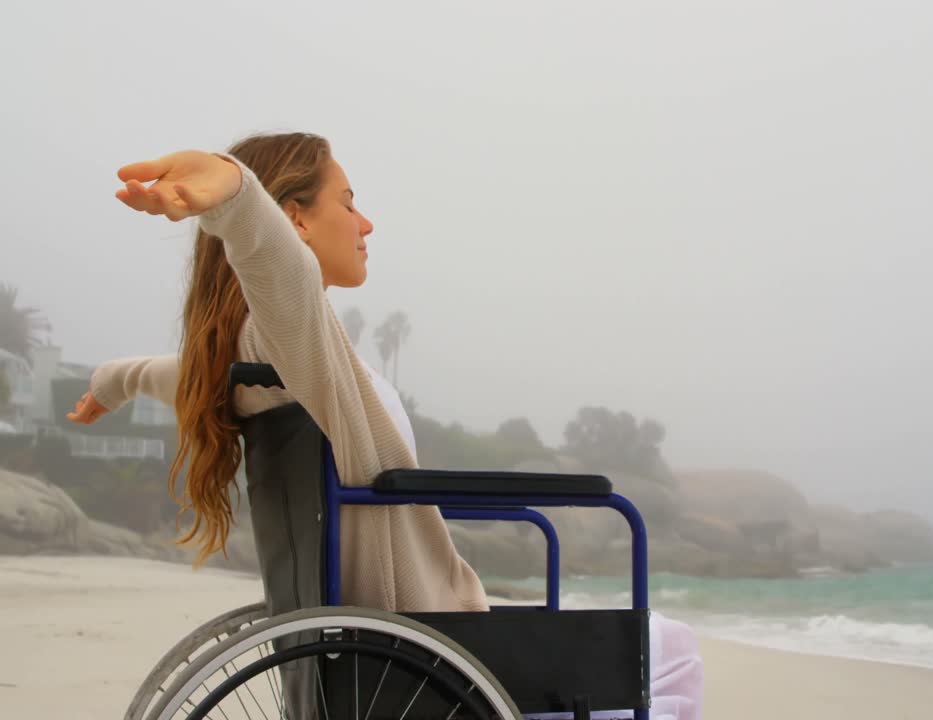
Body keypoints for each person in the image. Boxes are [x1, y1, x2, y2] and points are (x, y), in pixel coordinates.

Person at [68, 133, 703, 718]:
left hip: (376, 654)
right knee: (671, 651)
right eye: (347, 202)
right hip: (427, 655)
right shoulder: (293, 343)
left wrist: (113, 382)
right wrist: (237, 195)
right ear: (294, 220)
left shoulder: (252, 368)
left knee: (658, 647)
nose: (365, 222)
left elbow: (183, 372)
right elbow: (280, 277)